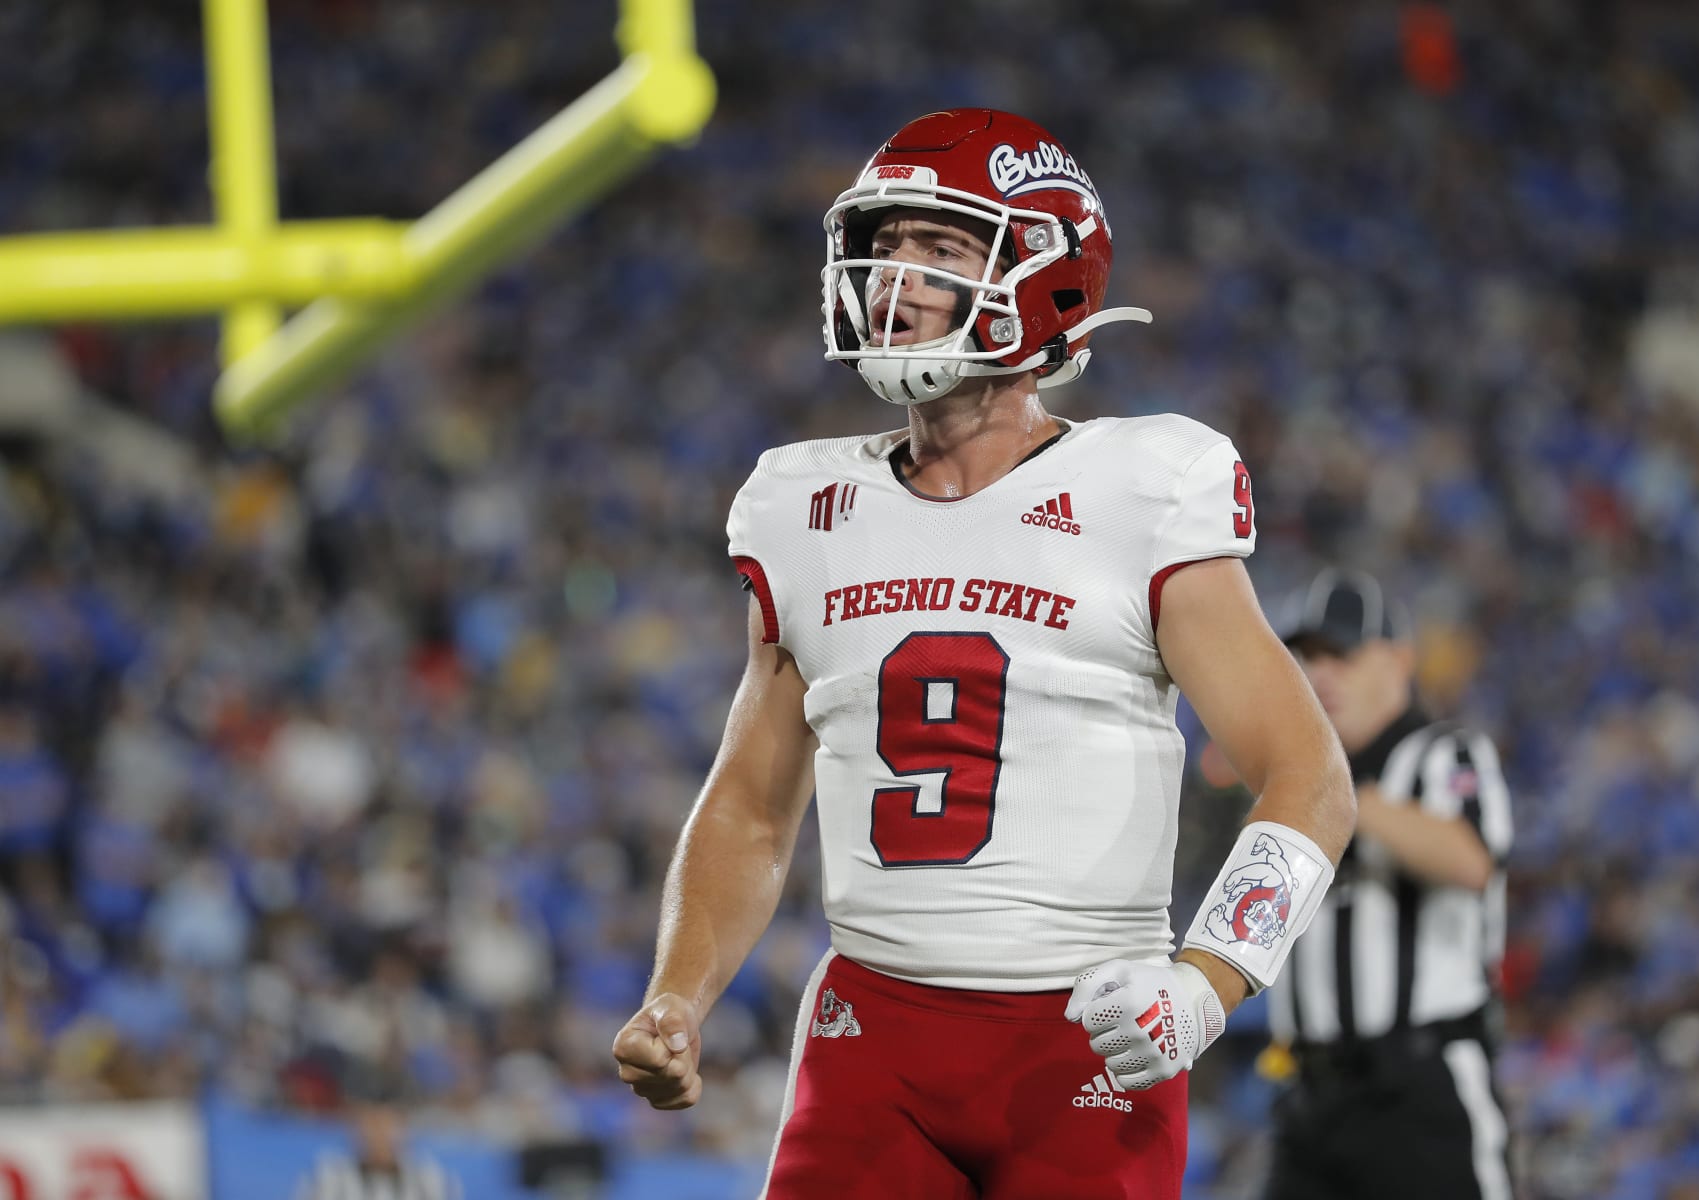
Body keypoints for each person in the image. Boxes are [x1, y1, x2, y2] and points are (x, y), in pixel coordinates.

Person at [611, 108, 1357, 1199]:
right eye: (886, 243)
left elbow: (1310, 777)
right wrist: (677, 995)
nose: (892, 277)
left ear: (1046, 281)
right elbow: (752, 807)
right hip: (874, 1034)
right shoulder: (800, 506)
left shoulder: (1143, 487)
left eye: (940, 249)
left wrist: (1204, 985)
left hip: (1085, 1039)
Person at [1262, 568, 1515, 1200]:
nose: (1321, 676)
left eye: (1341, 654)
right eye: (1308, 656)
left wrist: (1340, 797)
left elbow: (1469, 860)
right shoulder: (1290, 777)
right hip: (1311, 1098)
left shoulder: (1443, 756)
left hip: (1418, 1091)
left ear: (1399, 661)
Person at [294, 1100, 460, 1200]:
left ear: (403, 1130)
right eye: (371, 1123)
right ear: (356, 1129)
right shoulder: (327, 1176)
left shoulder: (430, 1178)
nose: (378, 1135)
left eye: (386, 1124)